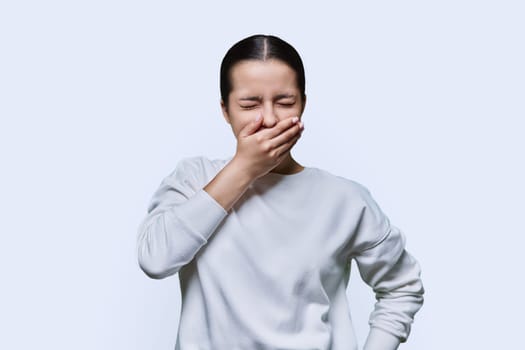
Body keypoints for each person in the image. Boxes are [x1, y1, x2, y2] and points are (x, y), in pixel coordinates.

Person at [136, 34, 424, 350]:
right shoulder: (194, 180)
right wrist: (244, 168)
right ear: (225, 109)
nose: (270, 118)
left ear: (303, 103)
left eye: (285, 102)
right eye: (250, 104)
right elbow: (155, 260)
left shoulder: (343, 199)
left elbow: (402, 287)